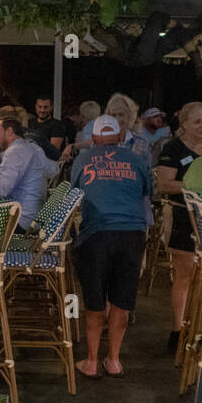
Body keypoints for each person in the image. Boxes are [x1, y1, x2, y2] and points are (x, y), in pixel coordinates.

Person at [69, 115, 151, 380]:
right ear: (118, 138)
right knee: (122, 302)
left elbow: (76, 194)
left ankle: (92, 361)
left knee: (95, 302)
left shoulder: (83, 159)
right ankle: (114, 360)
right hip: (132, 234)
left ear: (93, 139)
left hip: (97, 234)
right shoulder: (137, 160)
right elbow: (146, 193)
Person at [156, 101, 202, 354]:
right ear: (184, 124)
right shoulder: (172, 149)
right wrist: (195, 184)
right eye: (198, 121)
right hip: (182, 215)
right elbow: (164, 185)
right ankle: (179, 329)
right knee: (185, 274)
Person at [0, 116, 57, 225]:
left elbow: (1, 190)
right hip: (34, 216)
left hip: (19, 220)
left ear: (9, 131)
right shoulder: (33, 147)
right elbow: (54, 170)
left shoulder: (15, 151)